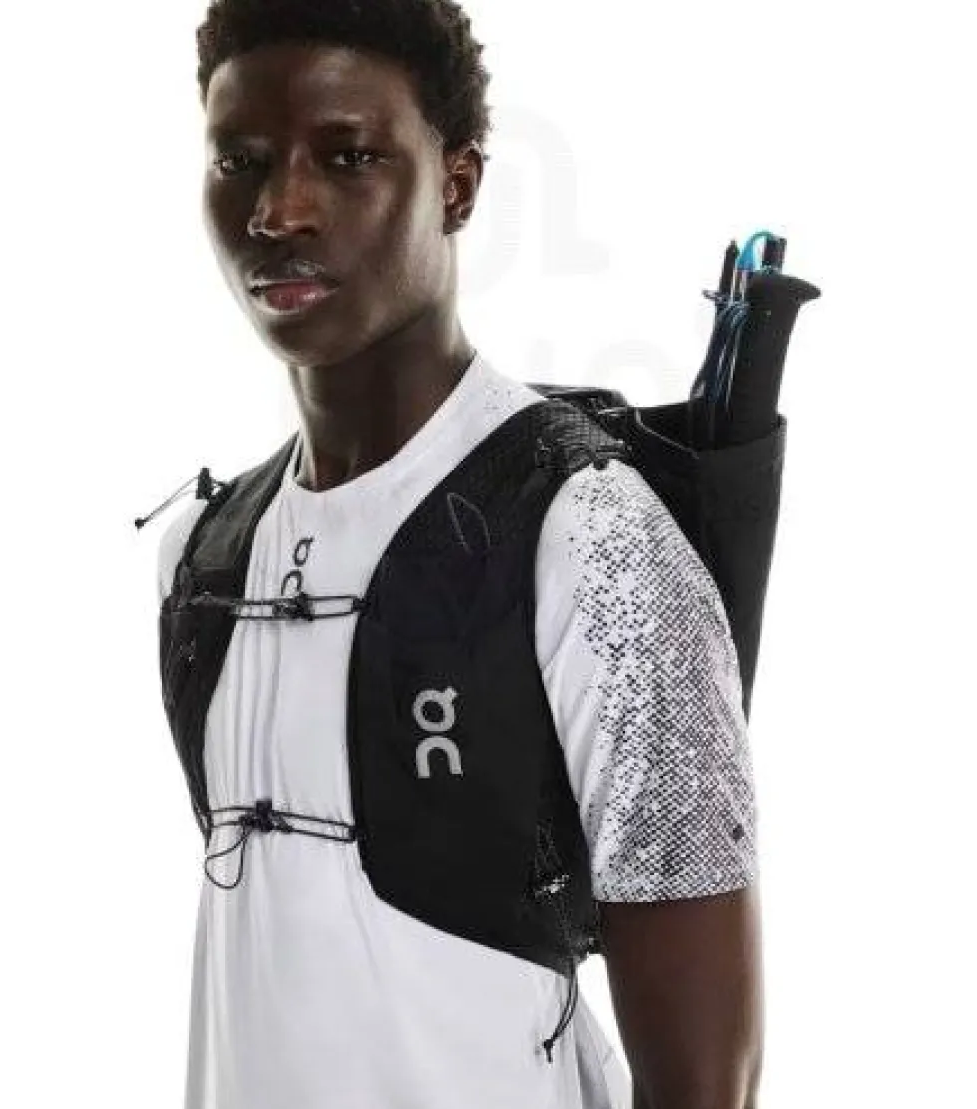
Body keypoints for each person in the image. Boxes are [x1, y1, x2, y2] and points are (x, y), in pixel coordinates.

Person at [155, 2, 764, 1105]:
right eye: (240, 161)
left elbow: (705, 1079)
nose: (279, 210)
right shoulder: (204, 559)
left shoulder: (590, 532)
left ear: (457, 183)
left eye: (347, 156)